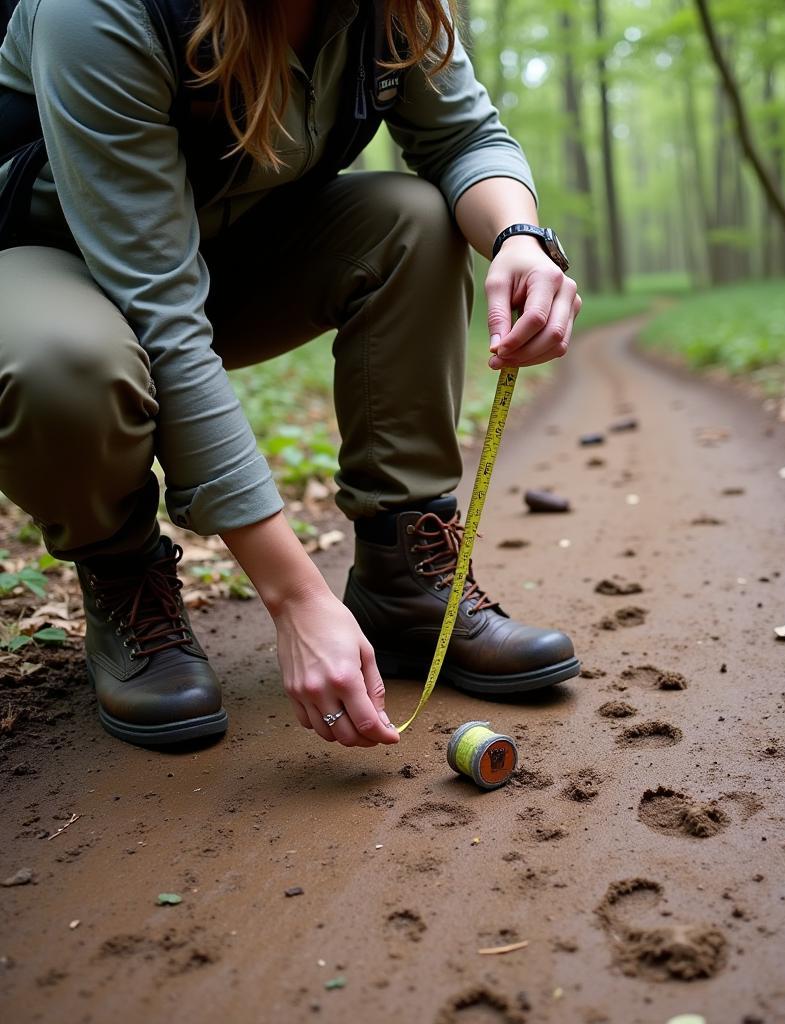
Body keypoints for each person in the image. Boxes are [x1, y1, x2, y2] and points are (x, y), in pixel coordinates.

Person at [0, 0, 582, 750]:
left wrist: (519, 237)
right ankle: (123, 580)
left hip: (222, 245)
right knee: (65, 364)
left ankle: (402, 577)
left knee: (415, 219)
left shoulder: (392, 9)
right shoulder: (101, 12)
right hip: (47, 259)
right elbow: (162, 314)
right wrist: (295, 598)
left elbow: (464, 136)